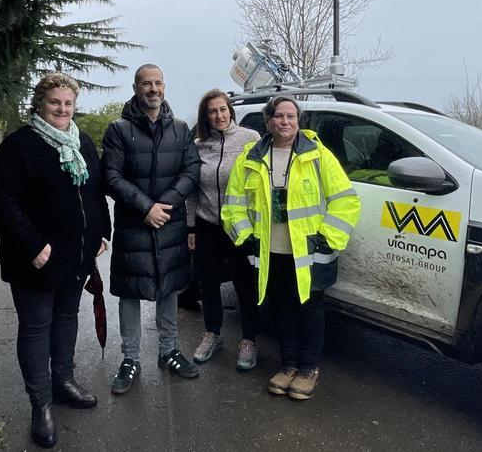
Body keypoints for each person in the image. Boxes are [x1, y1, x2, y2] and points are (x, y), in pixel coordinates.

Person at [0, 73, 110, 449]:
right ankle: (40, 405)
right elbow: (1, 204)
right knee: (37, 327)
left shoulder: (82, 142)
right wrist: (33, 246)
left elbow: (95, 192)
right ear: (40, 103)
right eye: (56, 102)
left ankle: (63, 382)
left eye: (68, 103)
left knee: (67, 319)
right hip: (34, 260)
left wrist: (102, 232)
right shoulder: (19, 146)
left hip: (76, 256)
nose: (62, 108)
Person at [222, 96, 360, 400]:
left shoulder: (318, 156)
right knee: (282, 307)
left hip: (309, 252)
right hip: (271, 251)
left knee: (309, 309)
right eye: (279, 116)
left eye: (291, 117)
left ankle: (308, 368)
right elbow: (233, 205)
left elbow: (346, 199)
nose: (285, 122)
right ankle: (288, 365)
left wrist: (327, 237)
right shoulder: (251, 157)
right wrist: (246, 237)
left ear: (298, 121)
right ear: (268, 121)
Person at [101, 64, 201, 394]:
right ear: (136, 87)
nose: (153, 89)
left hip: (168, 222)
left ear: (164, 86)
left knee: (168, 287)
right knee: (131, 291)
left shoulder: (181, 129)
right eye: (147, 83)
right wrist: (146, 207)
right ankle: (130, 358)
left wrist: (164, 206)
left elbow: (191, 171)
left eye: (158, 82)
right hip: (134, 223)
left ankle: (169, 351)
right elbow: (111, 177)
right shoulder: (119, 129)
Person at [186, 89, 262, 370]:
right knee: (208, 282)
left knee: (245, 284)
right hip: (207, 224)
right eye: (212, 111)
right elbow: (192, 191)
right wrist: (191, 227)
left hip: (241, 225)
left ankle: (249, 341)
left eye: (222, 109)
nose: (218, 115)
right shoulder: (198, 145)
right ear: (205, 116)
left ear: (230, 110)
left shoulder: (250, 139)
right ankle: (212, 334)